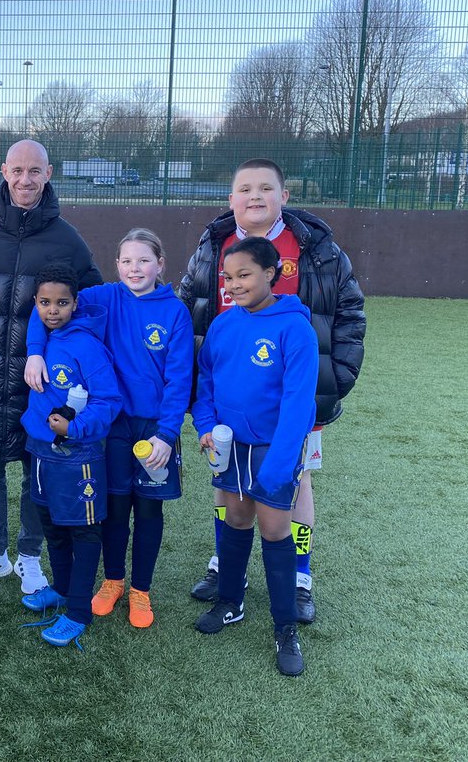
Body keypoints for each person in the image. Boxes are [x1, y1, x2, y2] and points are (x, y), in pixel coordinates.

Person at [181, 157, 365, 623]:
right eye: (245, 189)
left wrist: (332, 380)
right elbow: (191, 310)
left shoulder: (316, 248)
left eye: (266, 188)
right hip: (229, 400)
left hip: (294, 398)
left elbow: (348, 313)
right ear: (231, 200)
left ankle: (299, 575)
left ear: (284, 196)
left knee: (295, 480)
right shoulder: (213, 246)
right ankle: (229, 567)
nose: (255, 196)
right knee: (229, 488)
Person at [0, 140, 101, 594]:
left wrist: (64, 352)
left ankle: (30, 556)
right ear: (3, 171)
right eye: (17, 170)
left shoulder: (67, 239)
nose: (26, 180)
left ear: (49, 173)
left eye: (35, 171)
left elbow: (90, 301)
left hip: (44, 384)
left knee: (41, 469)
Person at [26, 228, 192, 629]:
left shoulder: (175, 312)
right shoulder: (103, 297)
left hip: (153, 428)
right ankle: (113, 581)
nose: (135, 268)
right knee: (115, 509)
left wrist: (167, 434)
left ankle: (141, 590)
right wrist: (34, 353)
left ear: (160, 265)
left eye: (143, 260)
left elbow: (179, 379)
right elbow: (45, 304)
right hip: (112, 427)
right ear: (116, 266)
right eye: (127, 261)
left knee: (148, 510)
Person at [191, 237, 318, 676]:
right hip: (230, 446)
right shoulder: (225, 325)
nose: (234, 284)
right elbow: (205, 379)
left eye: (244, 274)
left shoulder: (294, 327)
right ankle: (231, 601)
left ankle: (285, 628)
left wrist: (281, 465)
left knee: (274, 528)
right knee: (236, 520)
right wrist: (205, 425)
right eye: (228, 277)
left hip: (273, 451)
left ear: (272, 272)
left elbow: (300, 402)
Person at [17, 265, 120, 647]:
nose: (53, 310)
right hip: (41, 452)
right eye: (45, 303)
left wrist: (73, 428)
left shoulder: (86, 345)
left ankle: (78, 611)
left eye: (62, 302)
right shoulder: (41, 338)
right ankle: (60, 588)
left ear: (76, 304)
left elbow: (110, 400)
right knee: (53, 527)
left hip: (79, 459)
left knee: (83, 532)